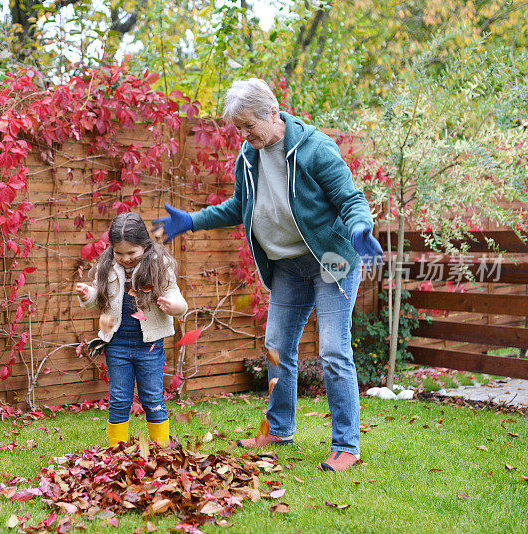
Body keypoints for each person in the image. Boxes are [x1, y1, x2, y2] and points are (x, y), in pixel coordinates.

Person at [153, 78, 383, 472]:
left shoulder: (315, 149)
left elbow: (351, 199)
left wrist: (361, 228)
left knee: (332, 350)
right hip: (288, 267)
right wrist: (191, 220)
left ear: (272, 113)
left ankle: (347, 445)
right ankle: (280, 428)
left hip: (331, 259)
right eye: (237, 129)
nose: (242, 136)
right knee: (277, 346)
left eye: (247, 126)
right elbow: (240, 206)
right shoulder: (249, 154)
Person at [76, 212, 188, 447]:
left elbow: (176, 297)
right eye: (119, 253)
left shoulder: (159, 265)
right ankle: (117, 452)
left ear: (145, 246)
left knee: (152, 397)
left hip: (150, 345)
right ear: (112, 249)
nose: (125, 258)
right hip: (116, 344)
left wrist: (174, 306)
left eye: (132, 253)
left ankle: (163, 448)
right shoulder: (106, 267)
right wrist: (88, 295)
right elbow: (99, 297)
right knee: (119, 398)